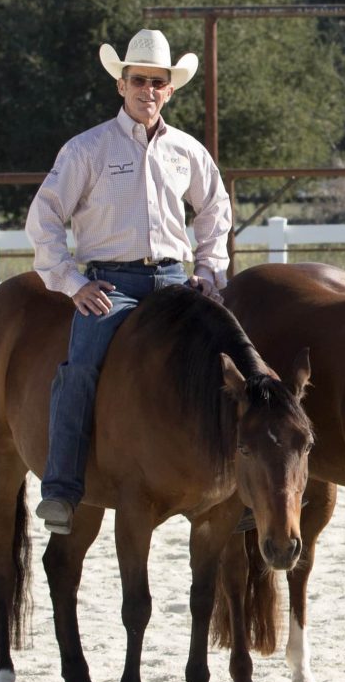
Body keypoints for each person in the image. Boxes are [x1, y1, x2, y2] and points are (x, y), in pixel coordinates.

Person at [25, 28, 232, 535]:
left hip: (174, 282)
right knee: (80, 369)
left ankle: (237, 486)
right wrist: (72, 283)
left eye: (158, 83)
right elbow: (44, 216)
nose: (148, 90)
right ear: (122, 84)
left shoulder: (186, 151)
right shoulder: (87, 150)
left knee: (233, 364)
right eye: (139, 80)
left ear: (170, 89)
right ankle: (62, 489)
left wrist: (207, 270)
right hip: (110, 285)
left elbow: (214, 211)